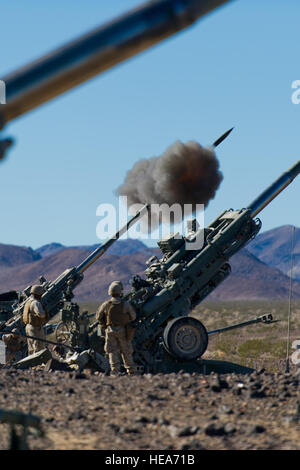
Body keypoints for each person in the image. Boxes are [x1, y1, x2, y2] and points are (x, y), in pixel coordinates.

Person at [96, 281, 137, 375]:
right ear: (120, 292)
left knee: (112, 351)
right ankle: (131, 371)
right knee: (126, 350)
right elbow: (133, 316)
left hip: (110, 330)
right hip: (123, 330)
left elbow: (98, 316)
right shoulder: (125, 304)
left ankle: (115, 371)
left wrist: (104, 325)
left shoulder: (106, 304)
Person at [22, 285, 47, 355]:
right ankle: (39, 364)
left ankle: (33, 364)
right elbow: (40, 314)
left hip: (28, 327)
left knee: (31, 347)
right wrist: (45, 312)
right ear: (38, 294)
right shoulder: (36, 303)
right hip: (35, 328)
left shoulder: (28, 302)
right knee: (38, 347)